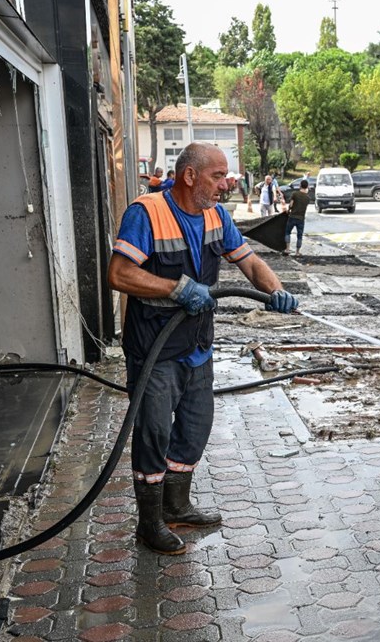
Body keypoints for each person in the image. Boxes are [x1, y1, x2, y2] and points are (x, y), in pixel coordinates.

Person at [107, 142, 299, 555]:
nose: (226, 184)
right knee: (154, 432)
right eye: (218, 175)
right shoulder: (147, 213)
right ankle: (149, 522)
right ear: (190, 176)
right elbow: (119, 273)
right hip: (155, 347)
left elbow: (248, 263)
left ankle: (176, 505)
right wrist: (176, 288)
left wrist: (276, 291)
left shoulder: (216, 216)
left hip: (196, 346)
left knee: (195, 427)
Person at [283, 179, 310, 256]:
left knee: (288, 232)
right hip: (301, 218)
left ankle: (287, 249)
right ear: (307, 187)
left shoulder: (295, 194)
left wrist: (289, 209)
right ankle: (297, 252)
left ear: (300, 186)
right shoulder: (307, 198)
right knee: (299, 235)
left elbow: (291, 205)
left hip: (292, 217)